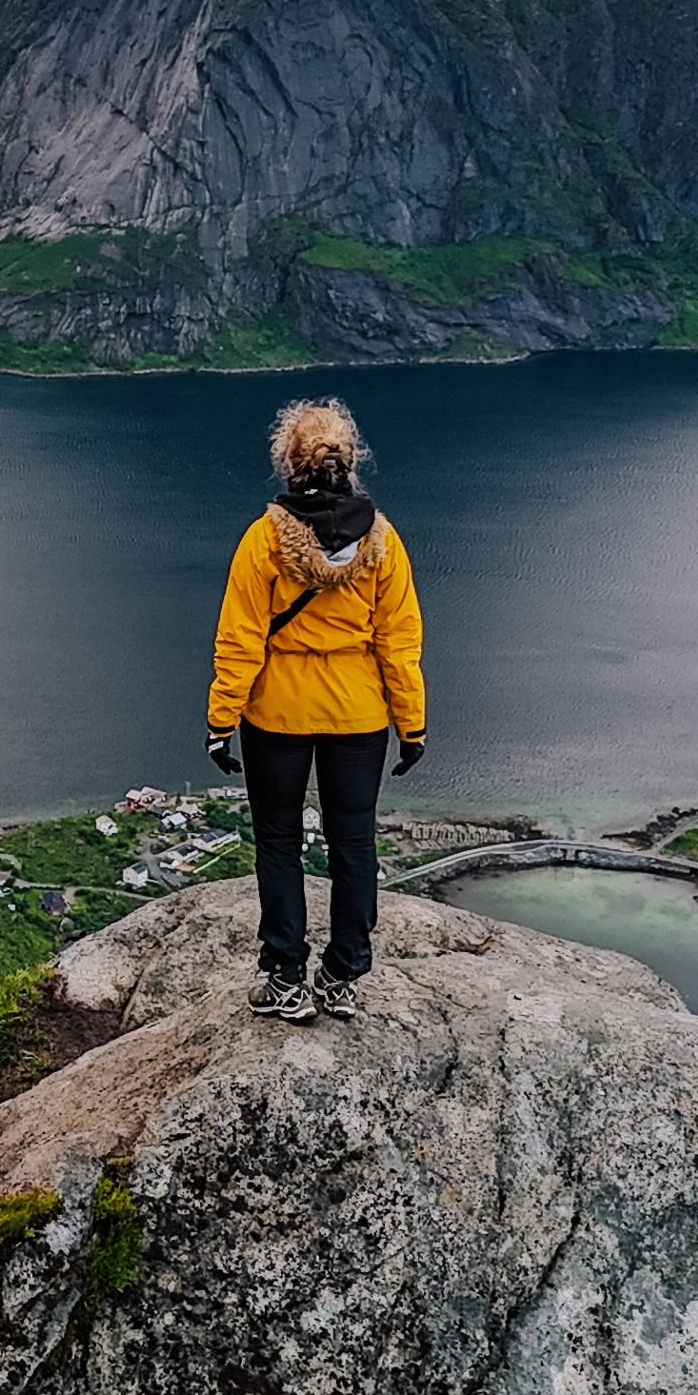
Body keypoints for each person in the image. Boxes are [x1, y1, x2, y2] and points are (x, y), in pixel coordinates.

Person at [204, 397, 424, 1022]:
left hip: (277, 716)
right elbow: (399, 641)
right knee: (353, 842)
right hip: (359, 718)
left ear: (289, 463)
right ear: (350, 461)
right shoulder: (383, 541)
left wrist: (222, 721)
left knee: (278, 842)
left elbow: (240, 639)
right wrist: (412, 724)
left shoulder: (264, 540)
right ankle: (343, 973)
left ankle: (285, 976)